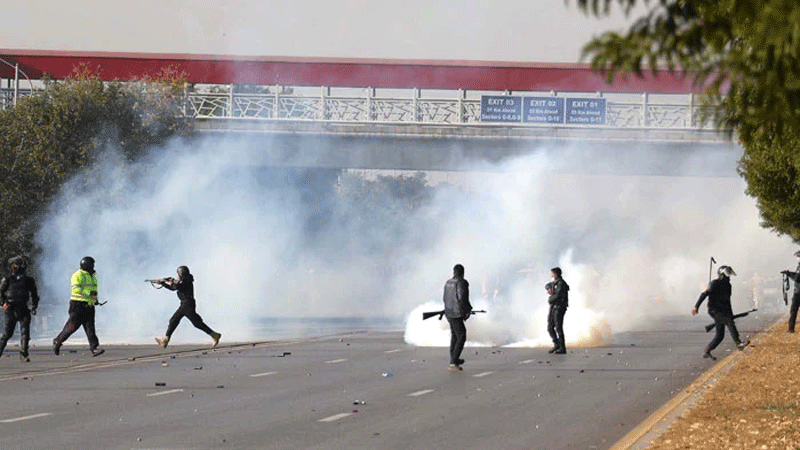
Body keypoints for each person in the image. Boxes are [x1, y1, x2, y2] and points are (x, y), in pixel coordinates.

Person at [154, 266, 221, 349]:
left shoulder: (186, 281)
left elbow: (177, 287)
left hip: (187, 304)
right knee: (196, 323)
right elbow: (174, 287)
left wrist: (170, 283)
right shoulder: (185, 280)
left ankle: (165, 340)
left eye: (179, 274)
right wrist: (163, 283)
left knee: (174, 320)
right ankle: (215, 335)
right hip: (186, 304)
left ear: (181, 274)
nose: (178, 276)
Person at [692, 265, 750, 360]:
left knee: (720, 335)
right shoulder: (714, 283)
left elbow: (727, 302)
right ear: (722, 275)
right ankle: (738, 343)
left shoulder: (728, 286)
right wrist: (696, 306)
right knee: (728, 321)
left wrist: (730, 315)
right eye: (727, 276)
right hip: (714, 310)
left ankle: (707, 351)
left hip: (723, 311)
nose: (728, 278)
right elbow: (704, 294)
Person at [53, 256, 104, 357]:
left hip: (89, 306)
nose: (93, 266)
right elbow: (76, 289)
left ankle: (94, 348)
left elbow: (94, 290)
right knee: (72, 326)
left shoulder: (93, 275)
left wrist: (95, 300)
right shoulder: (77, 275)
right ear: (87, 265)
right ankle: (57, 341)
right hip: (77, 305)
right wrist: (89, 293)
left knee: (90, 328)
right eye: (92, 264)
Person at [0, 256, 39, 362]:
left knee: (25, 333)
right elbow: (1, 293)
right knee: (8, 333)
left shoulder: (28, 280)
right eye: (16, 265)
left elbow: (34, 294)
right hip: (11, 309)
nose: (18, 267)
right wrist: (3, 303)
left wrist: (34, 306)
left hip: (23, 308)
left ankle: (24, 354)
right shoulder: (7, 279)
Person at [442, 264, 472, 371]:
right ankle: (454, 361)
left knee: (455, 336)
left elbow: (444, 298)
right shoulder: (462, 282)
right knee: (461, 336)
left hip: (449, 313)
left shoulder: (448, 283)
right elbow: (462, 298)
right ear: (463, 272)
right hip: (457, 313)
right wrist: (467, 310)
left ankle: (454, 358)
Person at [547, 267, 569, 354]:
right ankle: (556, 344)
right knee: (550, 327)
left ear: (556, 274)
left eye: (552, 273)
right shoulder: (555, 283)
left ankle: (562, 348)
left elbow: (557, 296)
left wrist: (550, 298)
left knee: (558, 327)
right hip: (553, 307)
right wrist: (548, 288)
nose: (551, 275)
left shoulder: (561, 284)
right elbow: (547, 285)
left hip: (559, 307)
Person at [781, 250, 800, 333]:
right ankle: (790, 328)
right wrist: (789, 273)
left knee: (793, 310)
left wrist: (789, 274)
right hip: (798, 291)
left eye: (798, 256)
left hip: (798, 292)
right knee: (793, 310)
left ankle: (791, 329)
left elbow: (797, 278)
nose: (797, 258)